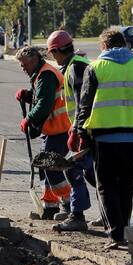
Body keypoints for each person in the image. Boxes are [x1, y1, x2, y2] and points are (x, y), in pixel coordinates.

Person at [72, 28, 133, 250]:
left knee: (106, 186)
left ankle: (116, 235)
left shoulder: (96, 68)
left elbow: (85, 105)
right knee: (126, 184)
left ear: (104, 47)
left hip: (104, 136)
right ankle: (125, 229)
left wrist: (81, 133)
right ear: (125, 44)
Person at [44, 30, 96, 232]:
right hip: (88, 128)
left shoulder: (75, 68)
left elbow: (83, 103)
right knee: (94, 174)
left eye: (52, 53)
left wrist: (77, 131)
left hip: (86, 129)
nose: (52, 58)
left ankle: (77, 216)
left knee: (73, 169)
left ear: (57, 51)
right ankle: (107, 215)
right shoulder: (75, 66)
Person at [15, 45, 73, 216]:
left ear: (34, 61)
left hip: (60, 128)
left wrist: (29, 119)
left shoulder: (46, 75)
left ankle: (69, 205)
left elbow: (43, 104)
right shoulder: (39, 74)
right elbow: (38, 96)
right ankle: (50, 206)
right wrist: (26, 95)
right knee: (43, 165)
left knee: (51, 166)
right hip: (51, 130)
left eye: (25, 65)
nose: (23, 69)